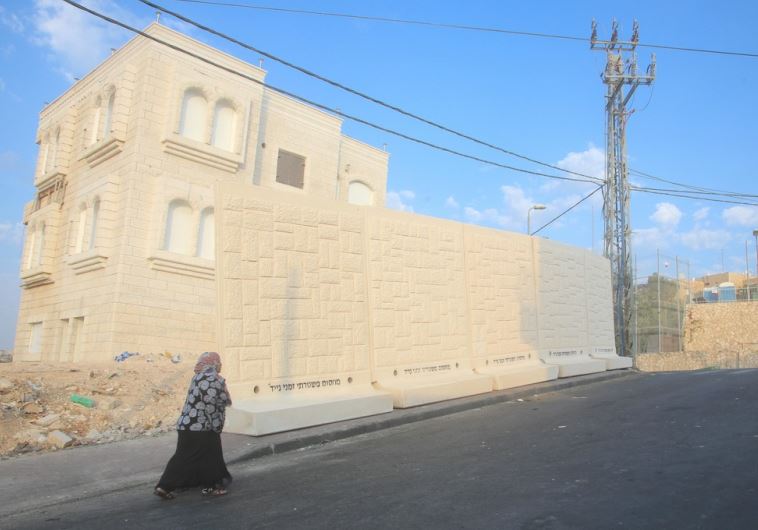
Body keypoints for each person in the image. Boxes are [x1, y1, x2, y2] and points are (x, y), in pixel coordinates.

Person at [154, 351, 233, 499]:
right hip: (203, 427)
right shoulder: (214, 380)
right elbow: (210, 406)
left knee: (182, 457)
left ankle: (164, 486)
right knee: (212, 456)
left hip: (186, 425)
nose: (220, 364)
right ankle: (212, 486)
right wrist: (216, 426)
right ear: (214, 363)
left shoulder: (196, 377)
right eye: (219, 362)